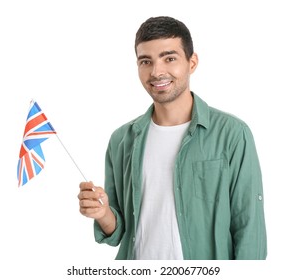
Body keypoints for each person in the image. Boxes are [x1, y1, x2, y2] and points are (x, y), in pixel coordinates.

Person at [78, 16, 267, 260]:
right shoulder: (121, 140)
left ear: (192, 62)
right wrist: (102, 213)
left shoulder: (232, 134)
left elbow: (249, 227)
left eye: (169, 58)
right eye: (146, 61)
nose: (157, 72)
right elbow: (118, 232)